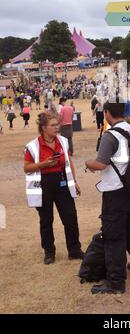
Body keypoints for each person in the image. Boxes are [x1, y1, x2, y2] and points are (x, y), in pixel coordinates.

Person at [85, 99, 130, 294]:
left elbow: (101, 164)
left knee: (113, 234)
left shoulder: (110, 135)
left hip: (115, 190)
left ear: (106, 112)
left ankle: (115, 282)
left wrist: (88, 163)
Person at [24, 111, 83, 264]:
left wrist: (74, 181)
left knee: (70, 217)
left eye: (58, 124)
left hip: (62, 183)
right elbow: (27, 168)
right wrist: (43, 164)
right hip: (43, 185)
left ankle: (74, 250)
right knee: (46, 220)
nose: (57, 128)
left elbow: (69, 162)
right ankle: (49, 252)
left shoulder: (63, 141)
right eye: (53, 125)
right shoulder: (32, 146)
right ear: (43, 127)